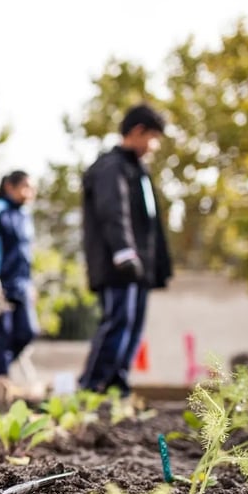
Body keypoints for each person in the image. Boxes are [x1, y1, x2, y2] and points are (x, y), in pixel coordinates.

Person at [80, 104, 173, 396]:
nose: (155, 146)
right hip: (119, 263)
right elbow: (113, 211)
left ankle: (117, 383)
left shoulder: (137, 170)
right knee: (118, 321)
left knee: (133, 327)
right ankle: (92, 385)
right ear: (137, 132)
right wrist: (124, 252)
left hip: (139, 265)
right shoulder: (112, 167)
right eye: (154, 138)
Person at [0, 171, 39, 377]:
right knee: (1, 337)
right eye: (26, 187)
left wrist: (29, 284)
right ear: (10, 187)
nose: (30, 192)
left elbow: (25, 255)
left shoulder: (24, 215)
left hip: (20, 285)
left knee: (27, 331)